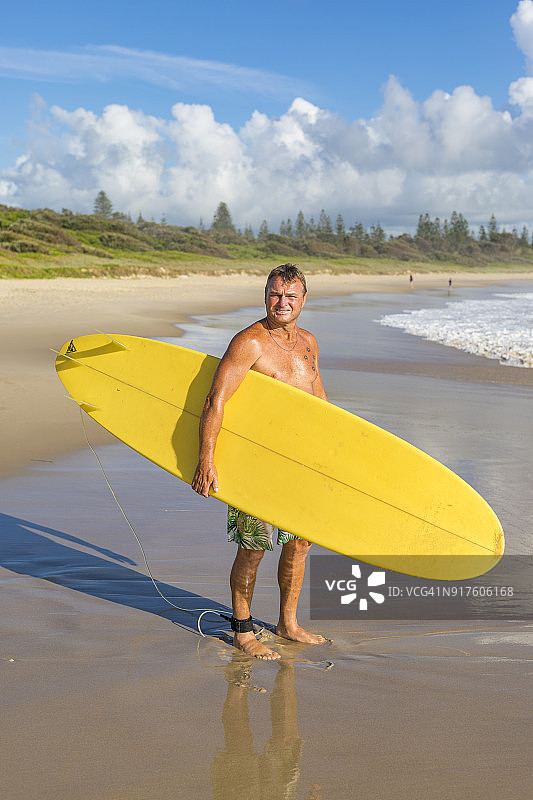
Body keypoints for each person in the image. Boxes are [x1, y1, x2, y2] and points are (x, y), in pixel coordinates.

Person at [192, 264, 327, 660]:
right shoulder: (249, 342)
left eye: (290, 296)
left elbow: (320, 400)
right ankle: (243, 630)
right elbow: (215, 400)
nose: (281, 303)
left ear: (303, 300)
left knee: (300, 544)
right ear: (265, 295)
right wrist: (206, 458)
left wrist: (334, 457)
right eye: (274, 294)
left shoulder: (309, 343)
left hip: (300, 461)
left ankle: (288, 623)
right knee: (253, 547)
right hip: (257, 462)